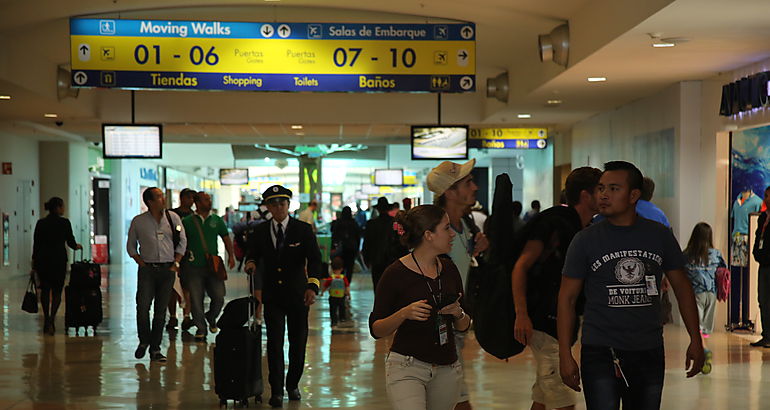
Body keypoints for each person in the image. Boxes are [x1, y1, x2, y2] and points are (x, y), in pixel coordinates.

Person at [557, 161, 704, 410]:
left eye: (613, 188)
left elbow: (682, 288)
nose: (603, 195)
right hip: (600, 350)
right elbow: (567, 298)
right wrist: (564, 354)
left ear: (634, 195)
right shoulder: (585, 240)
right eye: (601, 188)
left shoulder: (659, 235)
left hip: (648, 350)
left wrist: (696, 339)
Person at [511, 167, 602, 410]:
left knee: (543, 395)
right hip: (544, 321)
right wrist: (521, 313)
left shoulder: (584, 228)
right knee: (562, 398)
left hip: (562, 321)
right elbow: (521, 266)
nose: (605, 196)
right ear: (585, 196)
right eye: (600, 190)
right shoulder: (554, 224)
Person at [369, 205, 471, 410]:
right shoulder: (395, 273)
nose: (452, 234)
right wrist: (403, 313)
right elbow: (376, 329)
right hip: (407, 366)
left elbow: (464, 325)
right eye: (446, 228)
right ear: (429, 235)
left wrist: (457, 313)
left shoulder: (449, 269)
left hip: (447, 367)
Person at [244, 185, 322, 408]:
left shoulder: (303, 230)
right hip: (273, 296)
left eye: (282, 203)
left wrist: (312, 287)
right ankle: (276, 390)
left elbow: (315, 261)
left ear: (289, 205)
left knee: (298, 343)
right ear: (268, 206)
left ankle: (293, 384)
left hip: (298, 296)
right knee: (275, 344)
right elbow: (253, 253)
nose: (278, 207)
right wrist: (251, 263)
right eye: (273, 204)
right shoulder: (260, 231)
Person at [427, 159, 488, 410]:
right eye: (468, 182)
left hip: (457, 319)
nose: (475, 187)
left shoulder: (466, 225)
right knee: (455, 396)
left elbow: (465, 265)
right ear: (450, 193)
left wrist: (479, 251)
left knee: (451, 395)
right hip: (437, 324)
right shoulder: (432, 230)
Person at [127, 187, 187, 363]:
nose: (163, 199)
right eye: (160, 197)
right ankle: (144, 341)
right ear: (150, 202)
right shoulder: (139, 221)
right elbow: (130, 245)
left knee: (160, 311)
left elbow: (183, 240)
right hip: (147, 270)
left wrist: (176, 262)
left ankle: (155, 348)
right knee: (143, 306)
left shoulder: (172, 218)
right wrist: (140, 261)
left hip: (167, 269)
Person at [181, 191, 236, 341]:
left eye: (209, 199)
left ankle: (211, 317)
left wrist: (231, 256)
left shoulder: (217, 220)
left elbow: (226, 238)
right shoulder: (187, 222)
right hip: (193, 267)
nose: (209, 202)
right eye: (206, 200)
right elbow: (180, 243)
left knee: (219, 297)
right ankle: (201, 328)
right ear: (197, 203)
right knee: (196, 298)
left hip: (213, 266)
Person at [31, 197, 83, 336]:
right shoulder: (64, 223)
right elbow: (71, 242)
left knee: (45, 290)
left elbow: (36, 244)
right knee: (57, 292)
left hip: (43, 261)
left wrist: (34, 263)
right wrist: (78, 246)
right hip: (58, 261)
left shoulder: (41, 223)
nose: (64, 209)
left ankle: (46, 318)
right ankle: (52, 320)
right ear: (58, 207)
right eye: (63, 206)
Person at [683, 222, 725, 374]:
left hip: (696, 294)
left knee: (697, 327)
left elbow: (680, 274)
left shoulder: (687, 255)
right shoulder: (716, 254)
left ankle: (705, 350)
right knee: (706, 328)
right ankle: (704, 350)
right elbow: (723, 271)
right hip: (711, 295)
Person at [168, 188, 196, 332]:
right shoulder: (171, 215)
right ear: (182, 198)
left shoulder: (194, 216)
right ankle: (172, 316)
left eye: (193, 198)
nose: (191, 201)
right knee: (172, 287)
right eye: (189, 198)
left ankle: (187, 316)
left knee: (188, 287)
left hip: (189, 257)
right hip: (172, 255)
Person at [362, 197, 402, 290]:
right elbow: (399, 241)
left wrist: (366, 258)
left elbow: (367, 242)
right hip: (392, 259)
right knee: (391, 286)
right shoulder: (394, 223)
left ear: (378, 209)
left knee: (377, 285)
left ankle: (379, 303)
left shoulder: (371, 224)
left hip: (375, 260)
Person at [751, 186, 770, 348]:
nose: (767, 199)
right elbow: (758, 237)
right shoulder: (763, 218)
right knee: (763, 300)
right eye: (766, 196)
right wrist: (756, 252)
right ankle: (766, 335)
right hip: (763, 265)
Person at [331, 206, 361, 283]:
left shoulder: (339, 223)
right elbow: (358, 237)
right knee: (350, 269)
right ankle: (347, 284)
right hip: (351, 249)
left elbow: (334, 236)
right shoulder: (354, 223)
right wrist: (357, 248)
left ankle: (340, 285)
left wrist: (333, 247)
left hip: (341, 249)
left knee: (340, 267)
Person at [321, 256, 351, 330]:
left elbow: (325, 286)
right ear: (342, 268)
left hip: (333, 297)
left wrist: (322, 292)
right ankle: (342, 318)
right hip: (341, 296)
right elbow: (347, 287)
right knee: (342, 307)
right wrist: (348, 294)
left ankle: (334, 321)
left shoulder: (331, 278)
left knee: (333, 309)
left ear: (332, 268)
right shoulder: (343, 278)